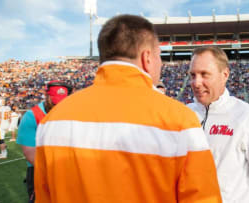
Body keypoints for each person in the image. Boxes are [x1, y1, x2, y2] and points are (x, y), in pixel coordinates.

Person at [34, 15, 221, 203]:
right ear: (147, 57)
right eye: (159, 56)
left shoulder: (52, 120)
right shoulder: (180, 120)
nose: (161, 63)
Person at [187, 46, 249, 203]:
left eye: (204, 74)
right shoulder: (183, 115)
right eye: (193, 75)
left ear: (224, 75)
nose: (196, 83)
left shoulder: (248, 116)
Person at [17, 80, 72, 203]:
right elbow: (30, 153)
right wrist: (56, 172)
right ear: (46, 96)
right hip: (40, 170)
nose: (58, 105)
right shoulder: (31, 116)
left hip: (67, 167)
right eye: (54, 100)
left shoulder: (69, 112)